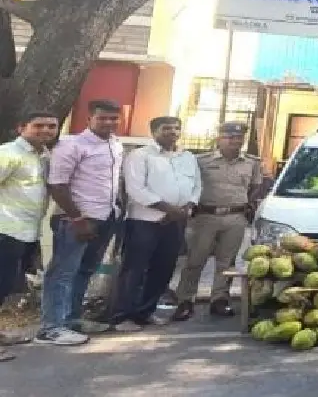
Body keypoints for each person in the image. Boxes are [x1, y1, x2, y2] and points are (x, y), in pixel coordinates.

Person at [37, 100, 124, 345]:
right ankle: (50, 327)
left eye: (113, 118)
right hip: (76, 220)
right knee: (62, 272)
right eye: (103, 118)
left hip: (106, 216)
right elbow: (58, 184)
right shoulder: (71, 145)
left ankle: (71, 320)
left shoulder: (115, 145)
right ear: (89, 119)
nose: (109, 123)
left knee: (85, 270)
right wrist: (77, 218)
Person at [111, 117, 201, 331]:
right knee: (134, 269)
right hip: (145, 221)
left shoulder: (187, 157)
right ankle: (123, 315)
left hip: (175, 222)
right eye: (166, 128)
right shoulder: (140, 155)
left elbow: (196, 185)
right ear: (154, 131)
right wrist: (168, 209)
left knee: (163, 268)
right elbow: (135, 189)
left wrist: (187, 207)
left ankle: (145, 312)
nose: (173, 132)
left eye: (177, 128)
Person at [173, 122, 262, 321]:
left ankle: (219, 300)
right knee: (195, 260)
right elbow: (190, 185)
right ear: (219, 138)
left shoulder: (251, 163)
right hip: (205, 216)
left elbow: (254, 187)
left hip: (235, 217)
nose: (234, 141)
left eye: (238, 138)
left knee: (227, 262)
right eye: (229, 137)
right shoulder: (200, 161)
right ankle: (185, 300)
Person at [0, 111, 59, 361]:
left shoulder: (44, 155)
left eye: (51, 126)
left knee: (5, 288)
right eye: (39, 126)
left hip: (27, 232)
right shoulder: (8, 153)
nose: (46, 130)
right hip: (5, 230)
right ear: (21, 127)